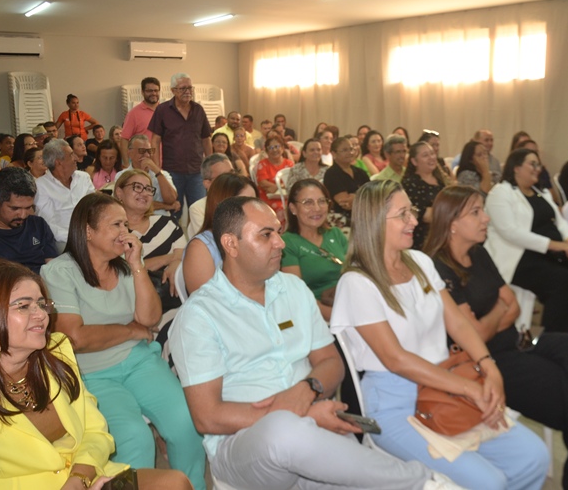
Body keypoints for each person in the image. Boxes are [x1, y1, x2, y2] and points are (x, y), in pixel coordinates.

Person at [172, 195, 462, 490]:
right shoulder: (200, 315)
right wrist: (301, 413)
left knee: (340, 466)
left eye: (278, 232)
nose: (280, 243)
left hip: (313, 433)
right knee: (283, 431)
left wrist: (308, 388)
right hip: (245, 447)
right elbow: (208, 417)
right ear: (231, 244)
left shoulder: (293, 289)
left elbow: (331, 362)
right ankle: (424, 482)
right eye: (266, 235)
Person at [329, 180, 549, 490]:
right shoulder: (357, 282)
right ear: (375, 221)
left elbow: (457, 322)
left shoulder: (420, 262)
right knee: (489, 482)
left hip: (445, 386)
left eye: (412, 211)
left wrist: (489, 366)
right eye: (403, 214)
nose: (414, 221)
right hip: (395, 404)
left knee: (534, 457)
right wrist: (468, 388)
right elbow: (396, 359)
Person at [425, 185, 568, 490]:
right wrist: (499, 311)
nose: (486, 218)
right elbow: (477, 334)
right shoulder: (438, 267)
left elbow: (511, 304)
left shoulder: (478, 253)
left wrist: (494, 316)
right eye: (476, 212)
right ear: (452, 223)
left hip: (518, 341)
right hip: (488, 364)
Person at [0, 259, 192, 490]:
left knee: (174, 483)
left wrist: (79, 479)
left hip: (89, 479)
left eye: (41, 304)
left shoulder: (56, 351)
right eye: (24, 306)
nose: (41, 315)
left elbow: (96, 430)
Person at [41, 194, 206, 489]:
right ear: (88, 231)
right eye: (116, 224)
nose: (126, 233)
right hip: (91, 374)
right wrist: (130, 331)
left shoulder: (125, 266)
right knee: (134, 437)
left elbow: (149, 318)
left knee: (186, 422)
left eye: (126, 226)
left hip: (139, 360)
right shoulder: (59, 272)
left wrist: (137, 265)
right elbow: (75, 338)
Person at [484, 148, 568, 333]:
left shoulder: (540, 192)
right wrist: (555, 245)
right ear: (516, 167)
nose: (538, 169)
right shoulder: (501, 193)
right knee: (562, 282)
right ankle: (554, 340)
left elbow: (560, 220)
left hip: (545, 254)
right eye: (532, 164)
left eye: (539, 165)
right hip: (517, 256)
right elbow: (510, 232)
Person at [115, 170, 186, 311]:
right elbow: (122, 271)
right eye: (137, 187)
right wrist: (171, 258)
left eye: (148, 189)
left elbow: (186, 255)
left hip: (179, 304)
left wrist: (177, 262)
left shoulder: (168, 223)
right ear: (119, 192)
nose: (144, 193)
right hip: (132, 307)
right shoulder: (114, 232)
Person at [148, 72, 212, 217]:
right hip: (172, 171)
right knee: (173, 212)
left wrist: (210, 164)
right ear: (173, 90)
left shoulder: (198, 110)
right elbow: (155, 140)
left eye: (190, 88)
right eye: (183, 88)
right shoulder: (162, 110)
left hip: (197, 171)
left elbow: (206, 139)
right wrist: (157, 169)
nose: (188, 91)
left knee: (200, 212)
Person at [281, 179, 347, 321]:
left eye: (322, 201)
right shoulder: (287, 243)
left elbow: (358, 272)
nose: (317, 208)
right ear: (293, 208)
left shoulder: (335, 234)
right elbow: (298, 296)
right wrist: (339, 318)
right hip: (318, 315)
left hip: (349, 301)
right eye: (308, 203)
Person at [182, 173, 257, 295]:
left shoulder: (254, 237)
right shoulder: (200, 248)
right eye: (245, 204)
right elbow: (205, 301)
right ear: (222, 205)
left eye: (255, 202)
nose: (254, 210)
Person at [35, 139, 95, 250]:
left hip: (92, 235)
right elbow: (49, 224)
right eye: (71, 155)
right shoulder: (41, 186)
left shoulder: (84, 178)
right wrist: (77, 238)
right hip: (63, 241)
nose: (76, 158)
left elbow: (94, 209)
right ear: (58, 162)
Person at [115, 135, 179, 217]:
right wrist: (166, 206)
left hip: (161, 217)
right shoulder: (121, 175)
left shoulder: (162, 174)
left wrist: (157, 172)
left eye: (149, 151)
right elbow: (131, 204)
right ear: (129, 153)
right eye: (142, 151)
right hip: (133, 219)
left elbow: (171, 199)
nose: (147, 155)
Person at [402, 141, 451, 250]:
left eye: (432, 153)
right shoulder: (410, 183)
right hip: (424, 240)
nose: (431, 158)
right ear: (414, 161)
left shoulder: (442, 179)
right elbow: (425, 215)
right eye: (425, 155)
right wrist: (451, 213)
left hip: (445, 235)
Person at [186, 154, 234, 240]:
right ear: (207, 183)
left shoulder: (244, 199)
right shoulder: (198, 209)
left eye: (232, 173)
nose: (232, 179)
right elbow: (208, 242)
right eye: (224, 177)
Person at [323, 136, 369, 225]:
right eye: (345, 150)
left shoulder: (360, 172)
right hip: (342, 219)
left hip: (365, 216)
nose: (350, 153)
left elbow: (372, 196)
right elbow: (345, 204)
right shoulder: (332, 174)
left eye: (351, 149)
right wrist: (362, 196)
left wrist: (354, 197)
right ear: (334, 154)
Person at [121, 77, 161, 165]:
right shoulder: (133, 114)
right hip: (143, 166)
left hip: (167, 165)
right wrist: (127, 165)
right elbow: (124, 139)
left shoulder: (166, 111)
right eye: (149, 91)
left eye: (156, 90)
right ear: (142, 92)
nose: (153, 93)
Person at [256, 133, 294, 220]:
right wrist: (281, 186)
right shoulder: (262, 164)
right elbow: (262, 183)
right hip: (268, 197)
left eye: (277, 146)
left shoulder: (289, 164)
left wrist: (276, 187)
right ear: (266, 151)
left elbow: (292, 182)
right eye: (271, 148)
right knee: (281, 208)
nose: (274, 150)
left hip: (286, 196)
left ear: (282, 148)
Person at [518, 139, 561, 205]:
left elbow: (553, 198)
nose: (534, 155)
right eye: (530, 152)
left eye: (536, 152)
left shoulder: (542, 171)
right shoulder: (512, 190)